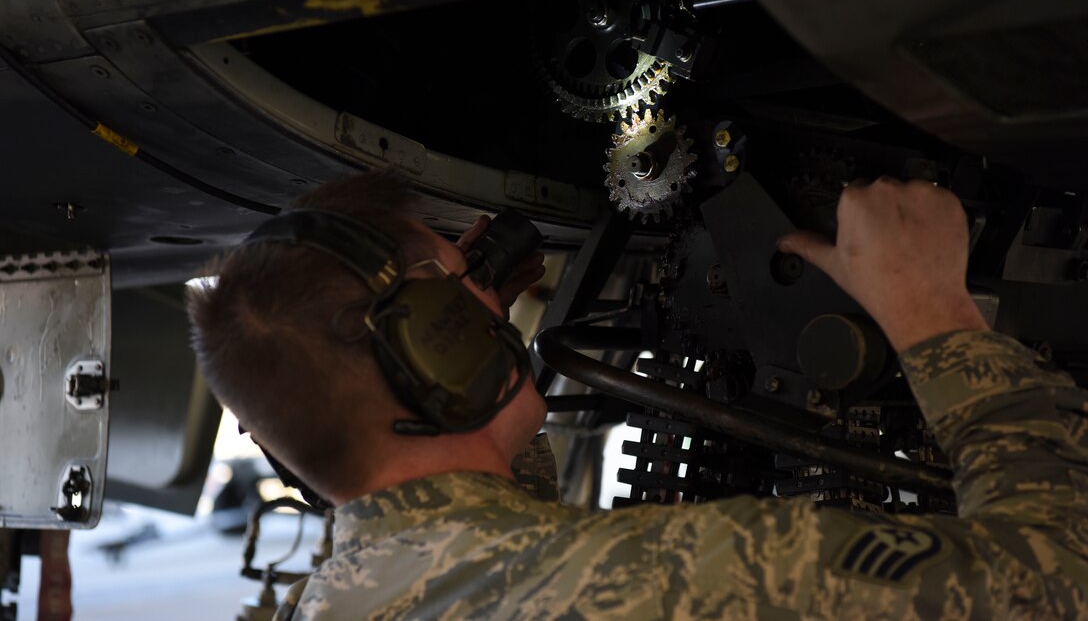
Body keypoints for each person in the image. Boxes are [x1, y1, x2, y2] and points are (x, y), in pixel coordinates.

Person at [187, 171, 1088, 619]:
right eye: (466, 300)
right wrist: (934, 314)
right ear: (438, 349)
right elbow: (1060, 579)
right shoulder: (690, 575)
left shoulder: (342, 599)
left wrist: (471, 319)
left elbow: (483, 536)